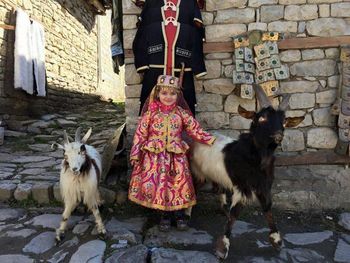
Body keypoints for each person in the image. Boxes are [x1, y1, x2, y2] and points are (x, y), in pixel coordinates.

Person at [128, 74, 215, 231]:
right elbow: (140, 135)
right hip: (154, 157)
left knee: (178, 183)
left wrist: (212, 141)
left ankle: (179, 214)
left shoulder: (181, 114)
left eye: (173, 93)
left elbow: (195, 130)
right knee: (160, 185)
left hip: (176, 157)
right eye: (164, 93)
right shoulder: (150, 114)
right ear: (157, 93)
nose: (168, 97)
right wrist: (135, 154)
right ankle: (164, 216)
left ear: (178, 95)